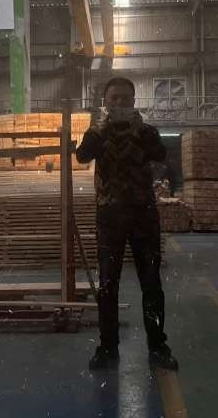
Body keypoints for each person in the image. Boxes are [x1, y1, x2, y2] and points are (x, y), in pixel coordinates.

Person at [75, 76, 178, 371]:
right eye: (114, 98)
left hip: (143, 215)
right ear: (106, 102)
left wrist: (141, 131)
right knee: (108, 284)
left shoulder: (146, 131)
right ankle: (107, 347)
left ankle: (158, 346)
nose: (120, 103)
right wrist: (101, 129)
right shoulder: (97, 132)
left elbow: (160, 155)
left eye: (125, 98)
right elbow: (82, 156)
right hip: (110, 216)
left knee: (151, 282)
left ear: (134, 101)